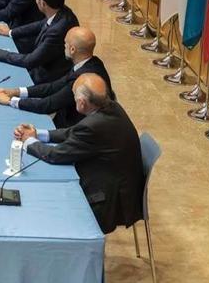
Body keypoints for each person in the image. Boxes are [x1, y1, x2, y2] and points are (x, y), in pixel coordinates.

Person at [13, 74, 144, 234]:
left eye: (74, 96)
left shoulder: (94, 126)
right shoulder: (110, 107)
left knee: (49, 204)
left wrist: (28, 141)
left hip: (109, 198)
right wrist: (37, 134)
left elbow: (55, 155)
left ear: (81, 102)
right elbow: (74, 132)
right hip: (115, 176)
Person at [0, 27, 114, 128]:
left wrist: (10, 101)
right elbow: (54, 86)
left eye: (65, 43)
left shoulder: (82, 78)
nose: (63, 46)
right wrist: (16, 92)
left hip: (73, 127)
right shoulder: (91, 62)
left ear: (72, 49)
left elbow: (48, 105)